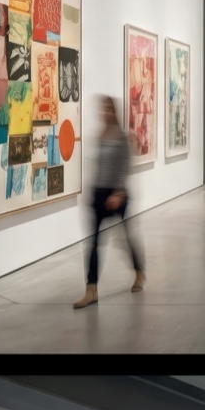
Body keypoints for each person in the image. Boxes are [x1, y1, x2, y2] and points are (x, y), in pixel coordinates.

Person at [73, 94, 144, 309]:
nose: (104, 112)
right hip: (98, 194)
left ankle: (139, 272)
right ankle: (91, 289)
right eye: (101, 109)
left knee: (125, 239)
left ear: (114, 111)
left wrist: (118, 192)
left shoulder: (121, 137)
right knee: (93, 243)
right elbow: (97, 166)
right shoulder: (100, 135)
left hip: (117, 195)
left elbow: (125, 165)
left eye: (107, 109)